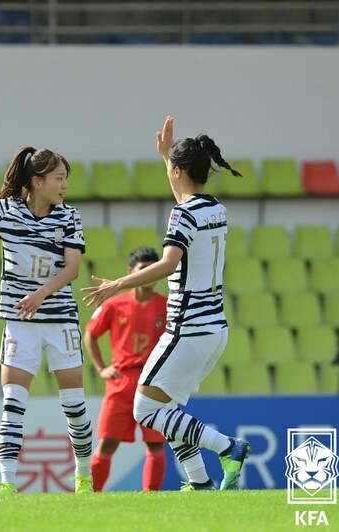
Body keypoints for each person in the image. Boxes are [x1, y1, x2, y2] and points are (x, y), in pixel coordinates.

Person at [83, 116, 251, 491]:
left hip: (187, 329)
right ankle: (200, 482)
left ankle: (228, 447)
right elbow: (185, 197)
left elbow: (169, 263)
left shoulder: (183, 214)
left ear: (178, 171)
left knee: (145, 411)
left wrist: (118, 284)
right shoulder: (215, 209)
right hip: (214, 330)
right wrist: (166, 159)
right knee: (165, 412)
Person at [0, 146, 94, 495]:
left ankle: (83, 476)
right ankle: (8, 482)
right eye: (59, 178)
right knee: (13, 404)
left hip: (59, 321)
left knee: (74, 407)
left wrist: (40, 295)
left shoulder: (69, 216)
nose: (65, 185)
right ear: (37, 181)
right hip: (20, 323)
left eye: (66, 179)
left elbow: (72, 269)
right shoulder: (4, 211)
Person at [84, 246, 168, 492]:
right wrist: (101, 368)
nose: (149, 275)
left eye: (154, 270)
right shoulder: (114, 304)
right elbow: (90, 335)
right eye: (144, 270)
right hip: (121, 381)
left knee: (155, 445)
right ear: (131, 272)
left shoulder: (168, 305)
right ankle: (92, 497)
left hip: (153, 381)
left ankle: (151, 499)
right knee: (107, 443)